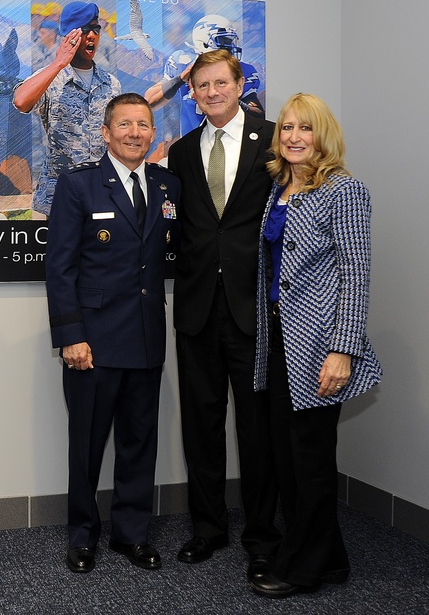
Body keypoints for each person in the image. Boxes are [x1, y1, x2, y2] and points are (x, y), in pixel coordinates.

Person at [249, 93, 382, 598]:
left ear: (322, 135)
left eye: (305, 128)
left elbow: (355, 275)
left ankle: (302, 568)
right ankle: (329, 559)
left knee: (310, 458)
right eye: (286, 128)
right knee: (288, 453)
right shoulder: (282, 186)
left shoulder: (344, 191)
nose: (294, 137)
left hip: (321, 346)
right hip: (281, 342)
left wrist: (343, 349)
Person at [46, 93, 181, 574]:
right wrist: (71, 336)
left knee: (139, 441)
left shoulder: (167, 187)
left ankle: (132, 534)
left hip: (146, 338)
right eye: (124, 124)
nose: (134, 133)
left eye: (143, 125)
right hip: (94, 344)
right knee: (86, 445)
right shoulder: (79, 185)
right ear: (106, 132)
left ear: (152, 133)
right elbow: (60, 269)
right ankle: (83, 537)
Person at [167, 49, 282, 581]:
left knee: (257, 431)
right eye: (201, 86)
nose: (210, 93)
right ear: (192, 93)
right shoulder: (184, 151)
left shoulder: (274, 140)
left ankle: (262, 536)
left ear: (239, 85)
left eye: (219, 83)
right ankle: (208, 528)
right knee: (202, 425)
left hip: (253, 308)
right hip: (196, 310)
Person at [13, 1, 121, 217]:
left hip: (102, 199)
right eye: (84, 30)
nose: (91, 36)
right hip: (58, 201)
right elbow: (21, 102)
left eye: (95, 29)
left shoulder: (111, 84)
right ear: (68, 35)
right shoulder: (50, 77)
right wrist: (58, 64)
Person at [146, 14, 263, 140]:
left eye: (230, 40)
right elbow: (150, 101)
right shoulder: (182, 62)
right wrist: (180, 79)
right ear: (204, 43)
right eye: (224, 41)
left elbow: (258, 116)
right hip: (191, 147)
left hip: (231, 144)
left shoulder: (243, 71)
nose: (230, 46)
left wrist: (230, 102)